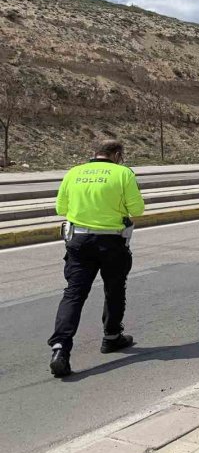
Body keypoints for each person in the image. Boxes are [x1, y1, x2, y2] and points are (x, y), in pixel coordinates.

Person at [48, 138, 145, 378]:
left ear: (95, 152)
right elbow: (137, 209)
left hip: (79, 241)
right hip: (112, 242)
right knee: (114, 289)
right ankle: (111, 336)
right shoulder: (123, 174)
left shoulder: (74, 172)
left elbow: (61, 209)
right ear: (118, 155)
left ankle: (60, 348)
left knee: (74, 294)